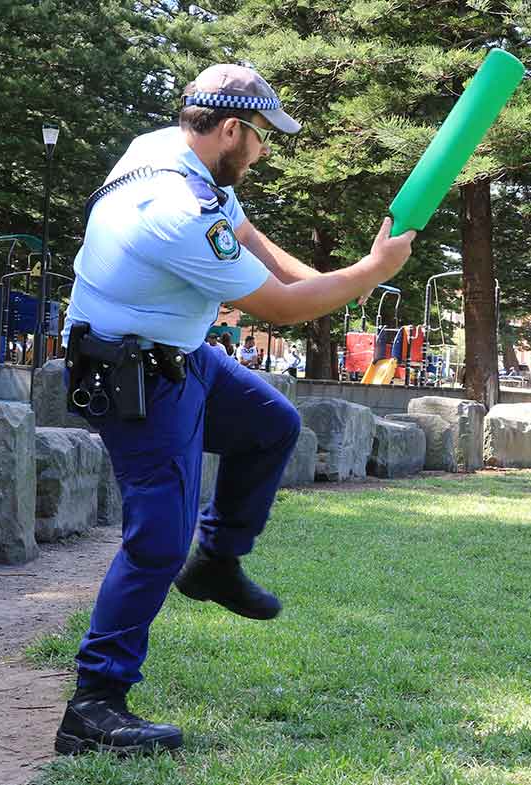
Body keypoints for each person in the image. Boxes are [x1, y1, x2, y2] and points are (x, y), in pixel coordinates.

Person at [56, 62, 415, 756]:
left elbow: (251, 241)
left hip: (181, 356)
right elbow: (277, 307)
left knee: (273, 425)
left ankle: (216, 561)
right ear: (228, 129)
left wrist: (336, 281)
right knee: (158, 534)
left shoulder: (167, 151)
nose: (264, 151)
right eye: (260, 137)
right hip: (135, 377)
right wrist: (369, 273)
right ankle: (93, 705)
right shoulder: (174, 212)